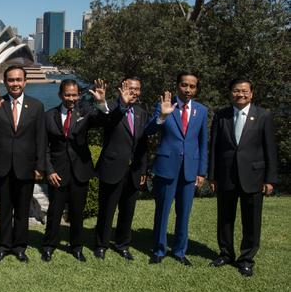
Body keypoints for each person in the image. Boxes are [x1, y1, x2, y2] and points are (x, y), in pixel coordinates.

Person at [208, 78, 277, 277]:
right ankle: (225, 254)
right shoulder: (222, 115)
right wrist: (213, 176)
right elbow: (214, 147)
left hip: (254, 177)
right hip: (226, 176)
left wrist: (270, 179)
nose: (241, 94)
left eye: (245, 91)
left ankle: (246, 259)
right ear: (231, 93)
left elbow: (270, 149)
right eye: (237, 91)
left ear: (251, 93)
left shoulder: (263, 115)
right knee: (225, 218)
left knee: (251, 221)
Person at [145, 71, 208, 266]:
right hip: (167, 167)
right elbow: (148, 131)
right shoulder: (164, 106)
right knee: (162, 211)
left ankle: (180, 251)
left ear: (196, 89)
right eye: (184, 85)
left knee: (184, 213)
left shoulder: (201, 110)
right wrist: (162, 116)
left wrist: (201, 171)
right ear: (177, 86)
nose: (188, 89)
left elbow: (203, 143)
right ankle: (158, 249)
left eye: (192, 86)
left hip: (189, 170)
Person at [41, 79, 108, 262]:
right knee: (54, 211)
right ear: (60, 95)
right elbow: (44, 147)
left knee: (78, 212)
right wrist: (49, 170)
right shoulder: (49, 116)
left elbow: (104, 121)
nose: (71, 98)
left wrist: (101, 103)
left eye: (74, 94)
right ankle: (49, 245)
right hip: (57, 172)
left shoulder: (85, 112)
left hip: (80, 170)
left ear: (79, 95)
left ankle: (76, 246)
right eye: (67, 94)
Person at [0, 65, 47, 263]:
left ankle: (20, 247)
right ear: (5, 82)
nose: (15, 84)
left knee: (22, 210)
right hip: (2, 165)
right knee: (4, 209)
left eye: (18, 80)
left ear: (25, 82)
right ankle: (3, 246)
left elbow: (41, 139)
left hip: (26, 167)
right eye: (11, 80)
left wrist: (40, 167)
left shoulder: (36, 106)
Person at [93, 78, 148, 261]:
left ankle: (123, 244)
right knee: (107, 210)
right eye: (130, 88)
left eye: (137, 89)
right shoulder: (109, 107)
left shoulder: (141, 112)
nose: (134, 92)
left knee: (128, 210)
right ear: (121, 89)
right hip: (112, 168)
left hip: (133, 171)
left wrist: (143, 169)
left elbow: (143, 144)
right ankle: (101, 244)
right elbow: (106, 122)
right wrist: (121, 106)